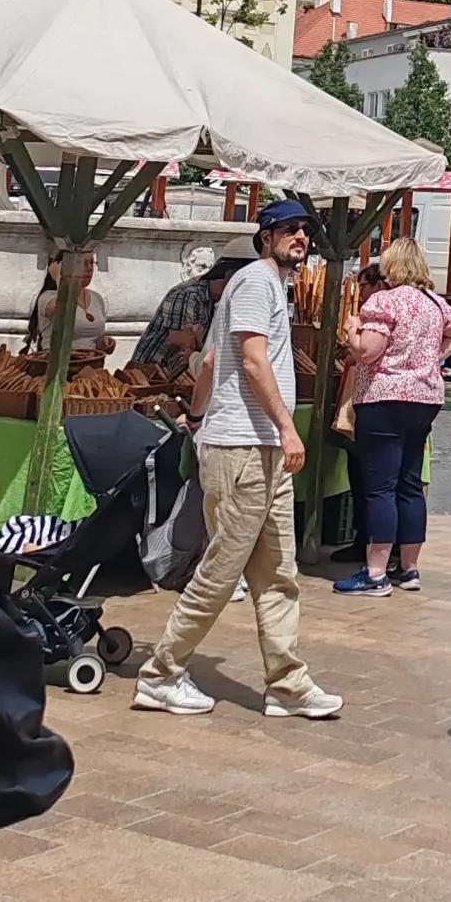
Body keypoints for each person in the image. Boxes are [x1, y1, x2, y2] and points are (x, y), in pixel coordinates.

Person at [134, 202, 342, 721]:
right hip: (243, 449)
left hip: (259, 449)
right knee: (222, 569)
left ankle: (287, 684)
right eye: (289, 229)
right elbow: (251, 361)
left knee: (278, 573)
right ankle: (161, 674)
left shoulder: (268, 286)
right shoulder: (254, 282)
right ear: (265, 237)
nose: (300, 236)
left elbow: (209, 360)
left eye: (306, 230)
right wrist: (288, 428)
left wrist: (196, 414)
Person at [332, 236, 451, 597]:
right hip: (425, 398)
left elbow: (368, 352)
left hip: (385, 397)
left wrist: (351, 333)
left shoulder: (384, 301)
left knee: (381, 487)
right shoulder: (434, 302)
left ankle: (376, 573)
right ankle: (409, 568)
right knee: (410, 484)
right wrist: (433, 357)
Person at [130, 255, 248, 378]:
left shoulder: (220, 300)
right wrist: (197, 355)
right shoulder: (187, 294)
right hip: (151, 368)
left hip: (176, 371)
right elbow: (180, 338)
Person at [26, 248, 115, 359]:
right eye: (82, 263)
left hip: (90, 364)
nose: (89, 268)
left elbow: (94, 338)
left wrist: (104, 343)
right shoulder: (47, 298)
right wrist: (60, 277)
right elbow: (61, 308)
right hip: (59, 364)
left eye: (92, 263)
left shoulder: (97, 298)